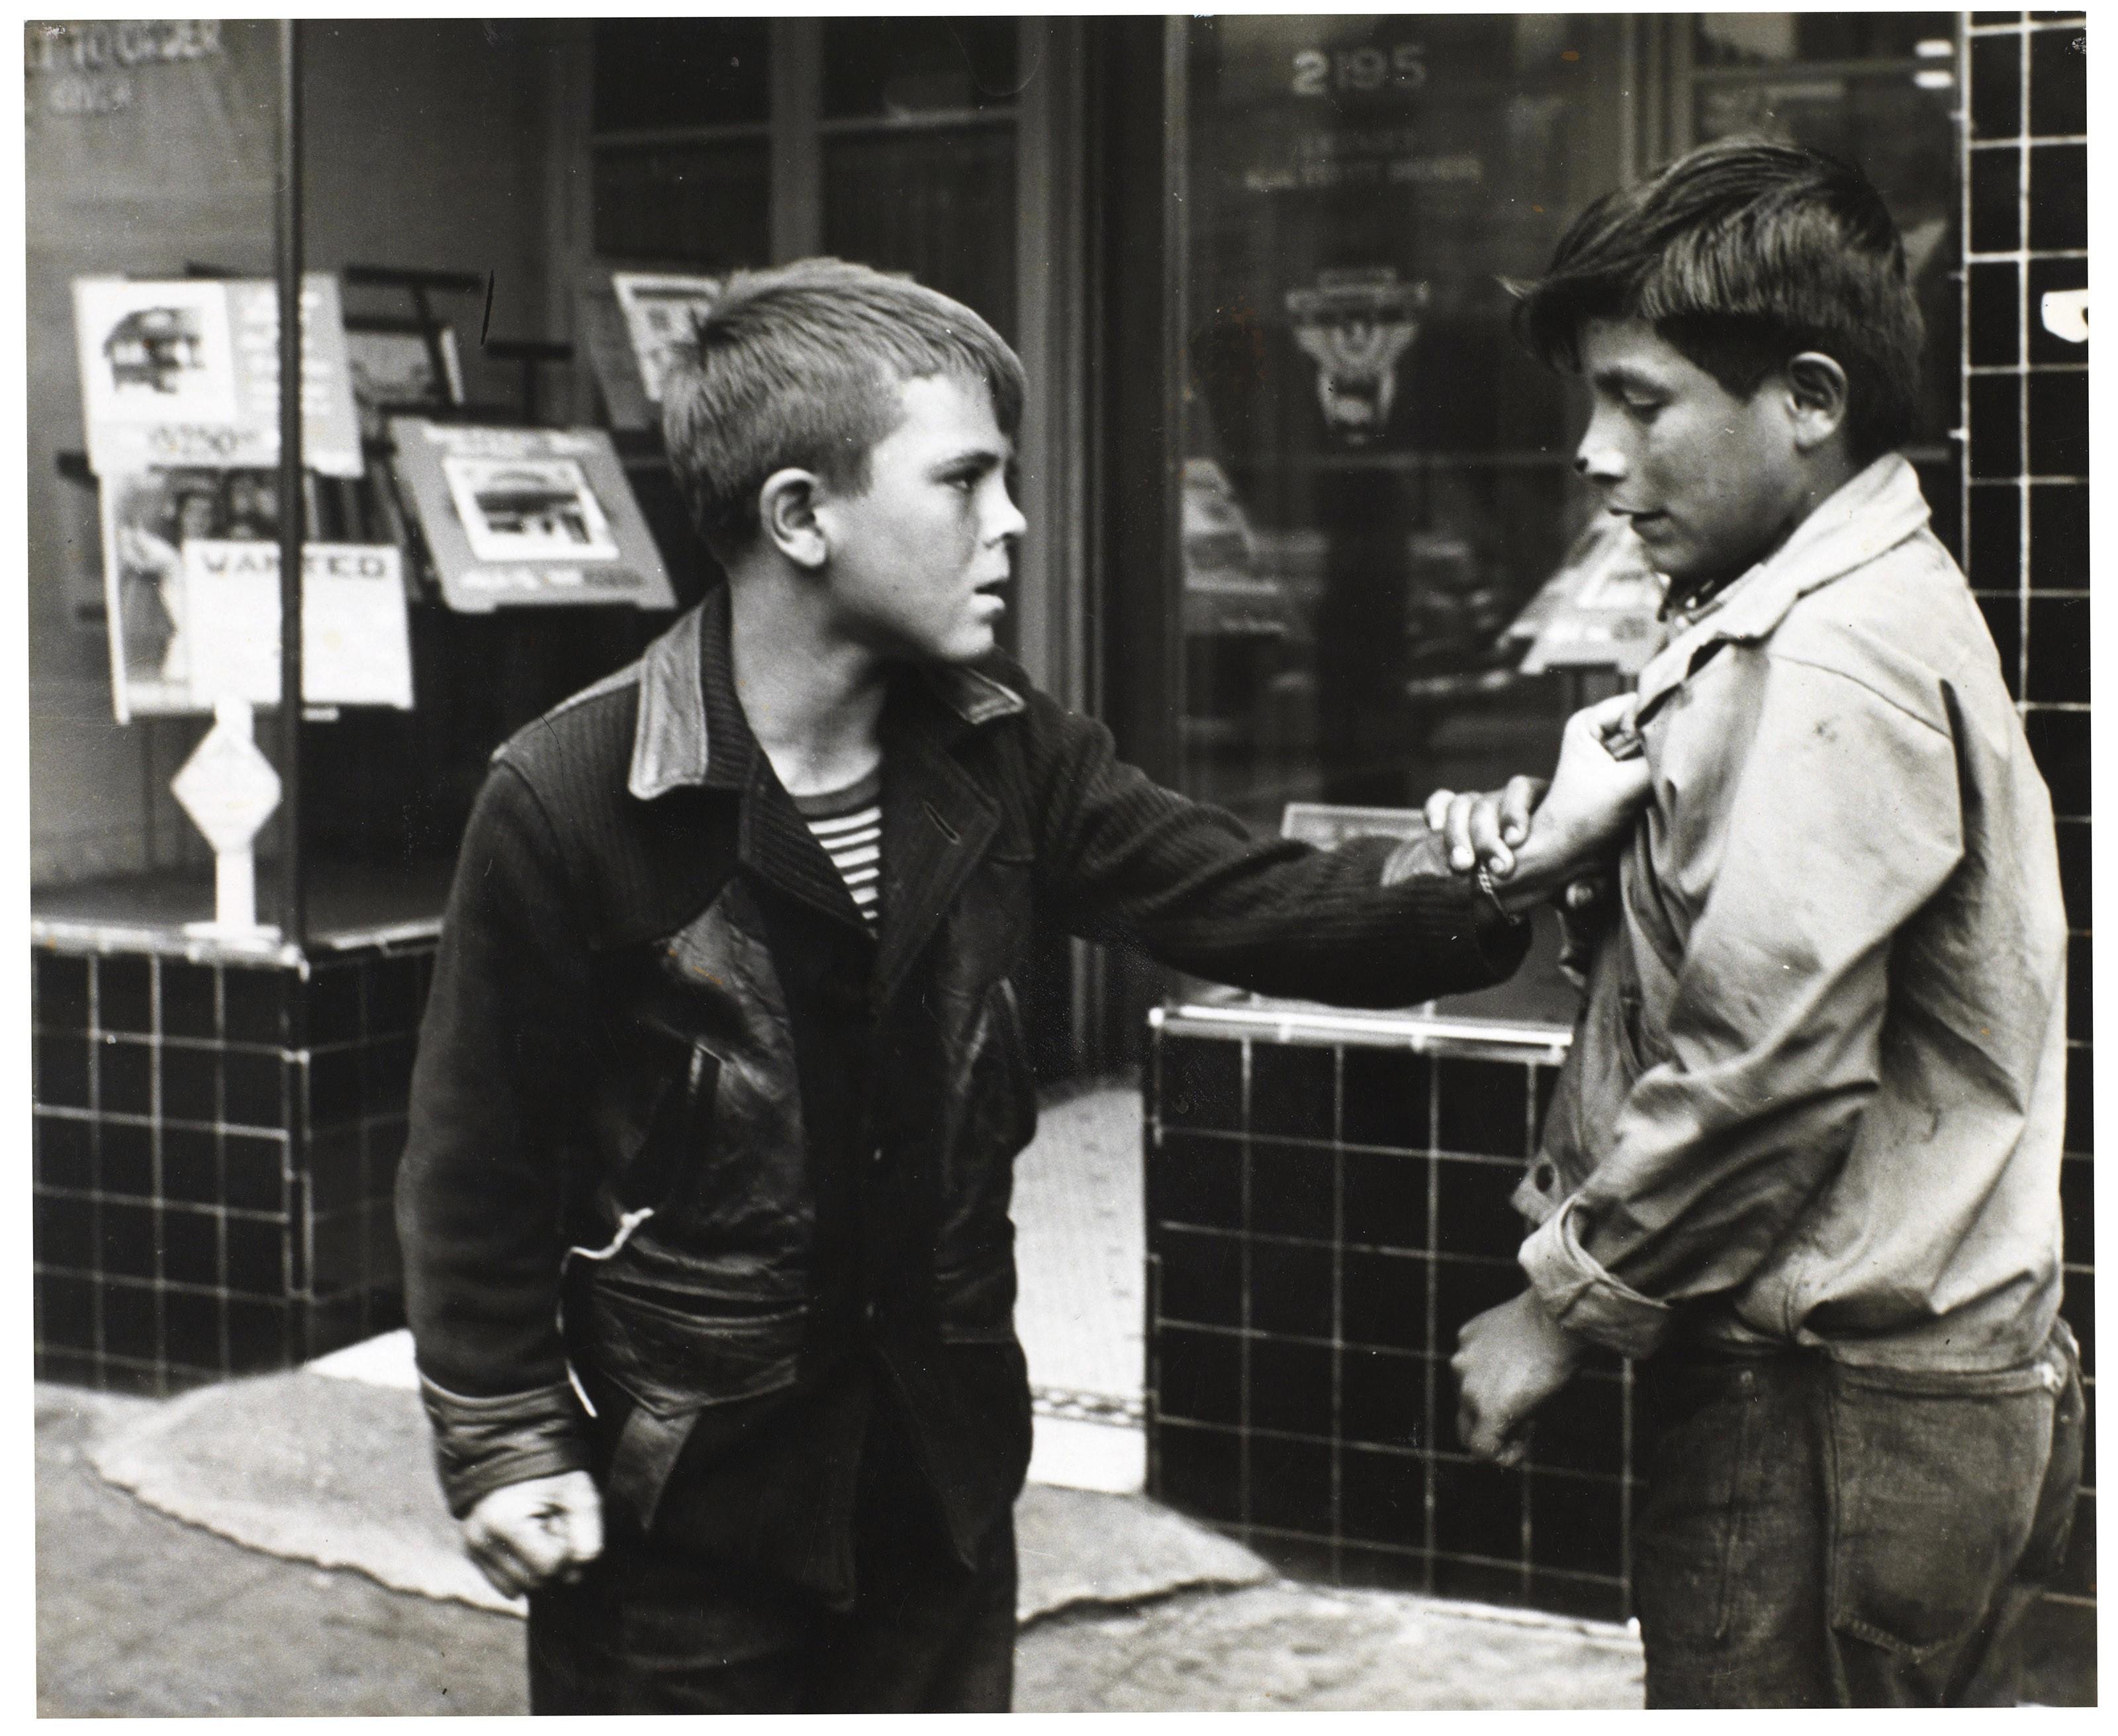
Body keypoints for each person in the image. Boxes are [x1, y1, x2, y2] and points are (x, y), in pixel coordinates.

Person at [394, 257, 1650, 1715]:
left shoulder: (1007, 755)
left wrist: (1512, 863)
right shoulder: (573, 793)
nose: (1013, 522)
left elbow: (1253, 902)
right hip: (681, 1517)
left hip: (938, 1498)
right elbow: (478, 1153)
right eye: (965, 481)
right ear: (801, 515)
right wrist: (505, 1435)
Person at [1438, 140, 2082, 1708]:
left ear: (1807, 398)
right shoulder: (1796, 605)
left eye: (1638, 400)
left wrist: (1558, 1304)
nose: (1592, 452)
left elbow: (1765, 1060)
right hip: (1862, 1380)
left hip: (1829, 1394)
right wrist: (1569, 850)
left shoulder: (1823, 654)